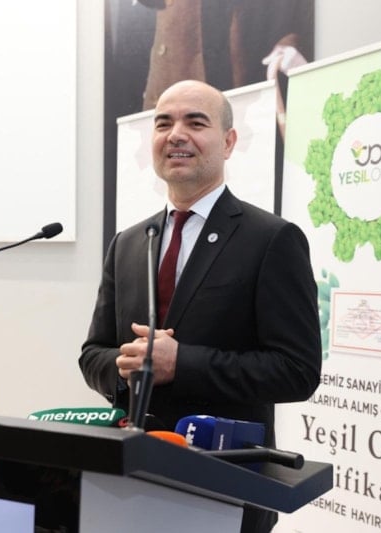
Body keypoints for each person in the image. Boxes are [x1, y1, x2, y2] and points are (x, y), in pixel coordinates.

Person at [79, 80, 321, 533]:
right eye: (163, 123)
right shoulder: (129, 242)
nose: (176, 134)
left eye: (195, 122)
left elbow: (297, 371)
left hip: (225, 487)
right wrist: (126, 367)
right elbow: (93, 355)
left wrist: (181, 363)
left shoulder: (271, 239)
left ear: (228, 142)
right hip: (128, 484)